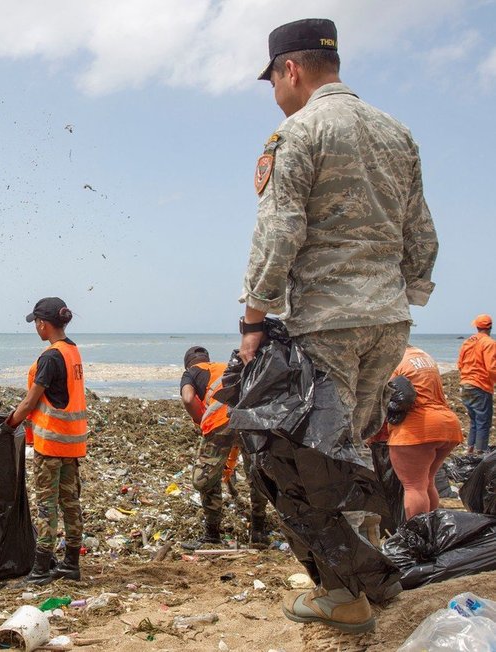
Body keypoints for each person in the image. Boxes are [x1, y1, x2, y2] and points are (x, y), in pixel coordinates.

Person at [239, 18, 438, 632]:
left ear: (289, 70)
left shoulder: (296, 132)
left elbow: (280, 231)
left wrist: (254, 314)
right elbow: (421, 233)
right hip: (388, 322)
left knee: (310, 463)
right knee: (352, 448)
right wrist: (407, 291)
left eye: (273, 79)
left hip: (324, 323)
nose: (275, 91)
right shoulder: (395, 131)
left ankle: (348, 594)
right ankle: (357, 571)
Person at [4, 297, 88, 585]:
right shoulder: (72, 351)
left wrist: (10, 422)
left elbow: (30, 402)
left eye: (36, 323)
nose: (36, 328)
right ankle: (71, 564)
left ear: (43, 324)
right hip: (72, 444)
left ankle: (40, 568)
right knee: (70, 502)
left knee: (46, 505)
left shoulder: (50, 357)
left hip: (51, 444)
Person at [179, 346, 269, 549]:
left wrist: (200, 419)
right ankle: (258, 532)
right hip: (250, 421)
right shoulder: (225, 367)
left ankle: (212, 534)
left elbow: (187, 398)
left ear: (188, 363)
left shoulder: (191, 372)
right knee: (256, 475)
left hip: (220, 424)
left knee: (205, 478)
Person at [385, 345, 463, 520]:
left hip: (417, 427)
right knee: (427, 483)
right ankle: (431, 532)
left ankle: (418, 537)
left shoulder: (392, 357)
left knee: (413, 486)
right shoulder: (421, 355)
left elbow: (397, 397)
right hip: (446, 423)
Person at [457, 315, 496, 455]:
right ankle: (479, 455)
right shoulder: (489, 343)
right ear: (490, 327)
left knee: (474, 421)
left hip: (466, 384)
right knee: (483, 423)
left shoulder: (468, 341)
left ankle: (470, 451)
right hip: (480, 386)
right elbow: (492, 368)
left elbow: (460, 364)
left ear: (477, 326)